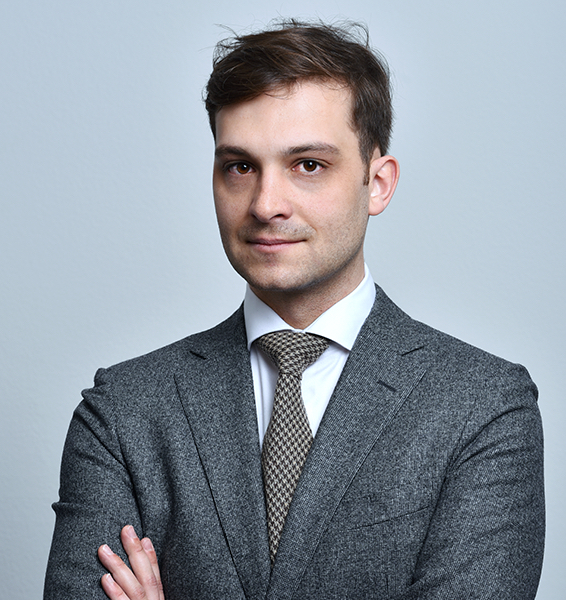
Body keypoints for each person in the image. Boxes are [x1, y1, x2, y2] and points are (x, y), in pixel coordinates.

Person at [44, 21, 544, 600]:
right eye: (240, 166)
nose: (265, 205)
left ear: (378, 183)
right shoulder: (122, 411)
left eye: (308, 164)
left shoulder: (483, 406)